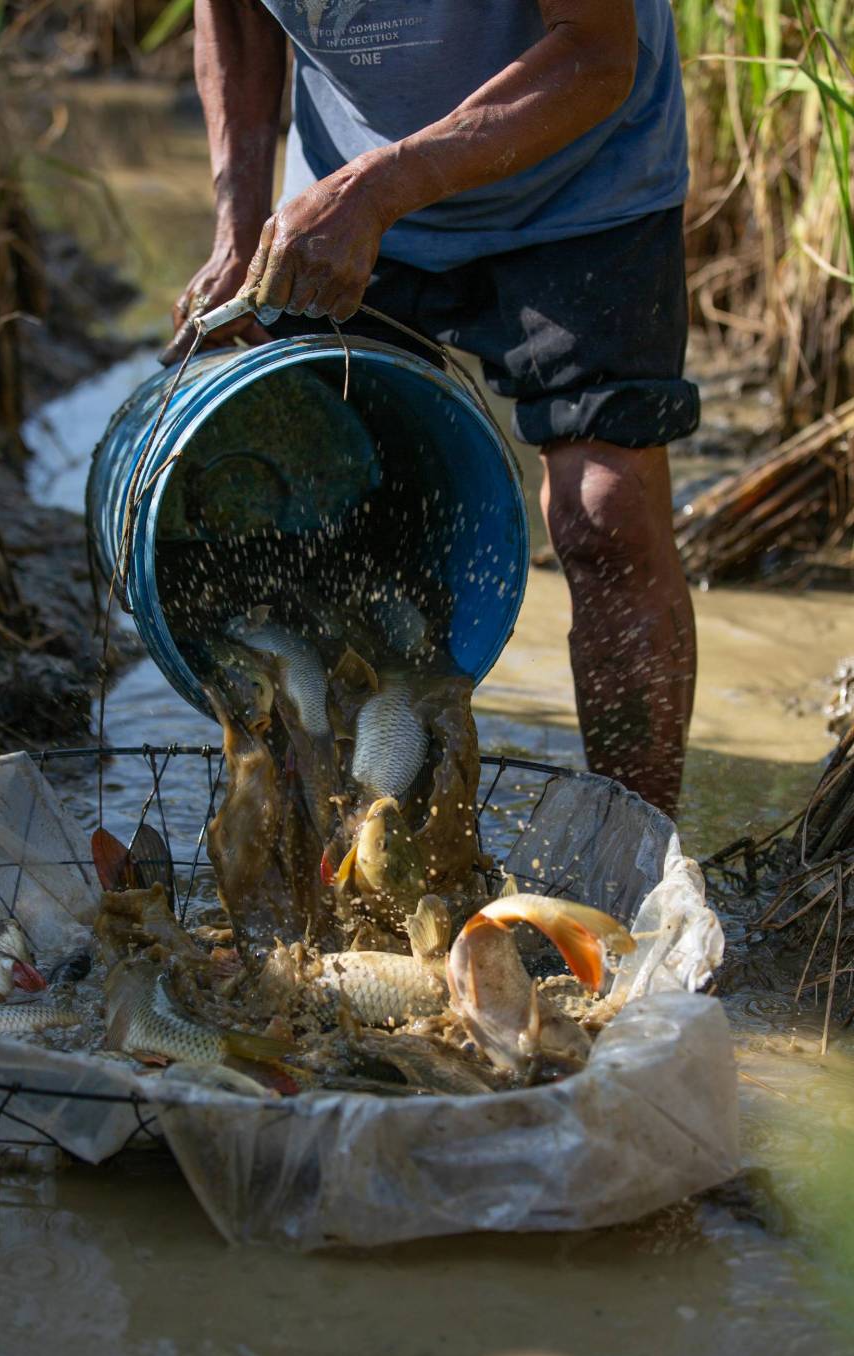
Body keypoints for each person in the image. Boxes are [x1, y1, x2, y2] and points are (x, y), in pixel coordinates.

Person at [162, 1, 698, 819]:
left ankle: (639, 853)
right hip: (344, 193)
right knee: (331, 534)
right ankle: (362, 852)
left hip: (583, 181)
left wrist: (379, 189)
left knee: (605, 518)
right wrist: (239, 224)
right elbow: (234, 14)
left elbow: (595, 56)